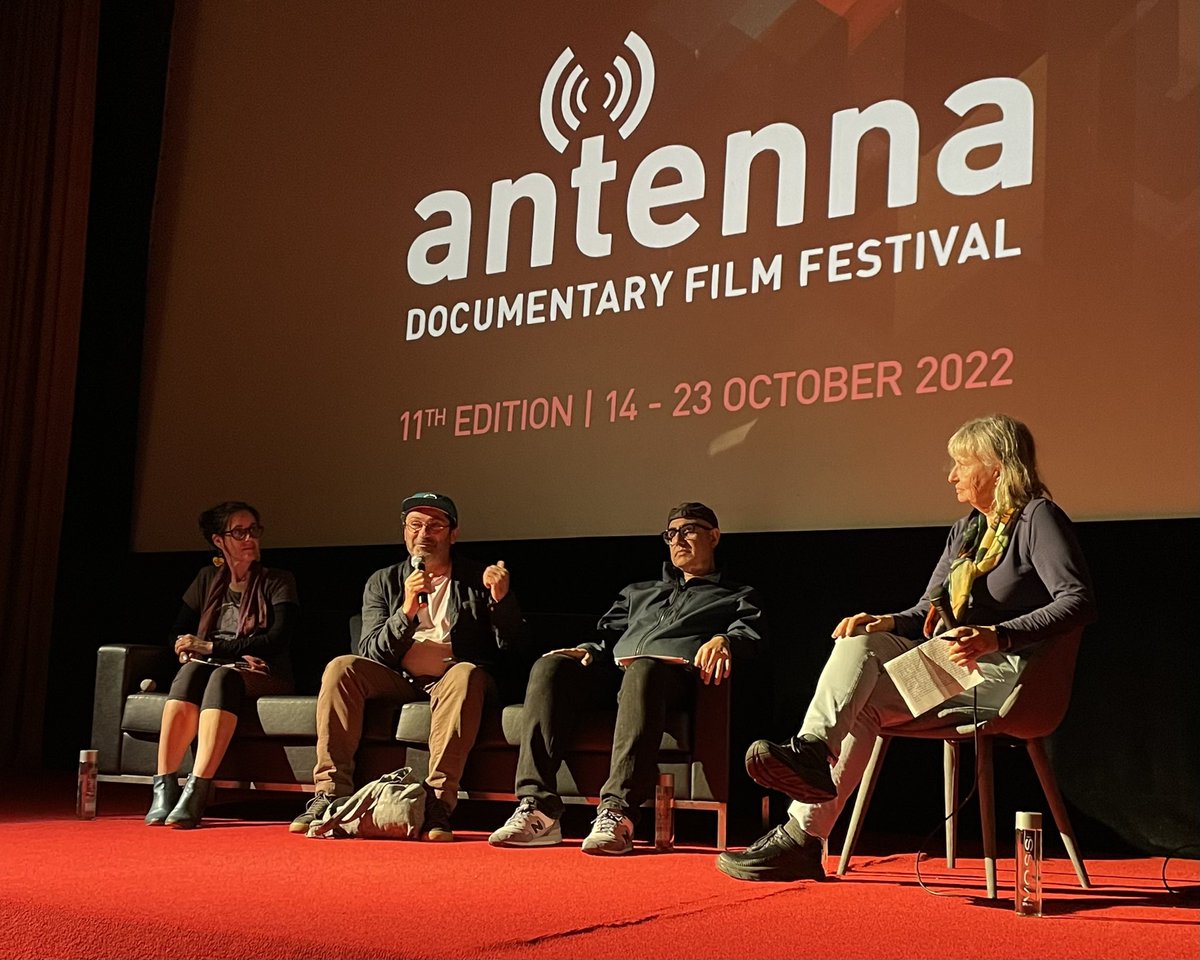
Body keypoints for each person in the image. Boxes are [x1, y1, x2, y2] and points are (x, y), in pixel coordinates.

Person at [716, 413, 1097, 881]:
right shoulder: (966, 531)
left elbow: (1078, 601)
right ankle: (810, 773)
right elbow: (927, 611)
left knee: (864, 694)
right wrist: (888, 621)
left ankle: (804, 814)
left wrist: (998, 635)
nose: (952, 475)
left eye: (961, 463)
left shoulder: (1037, 518)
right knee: (864, 647)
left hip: (1011, 673)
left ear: (997, 467)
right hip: (952, 668)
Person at [488, 501, 766, 854]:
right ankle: (538, 808)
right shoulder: (639, 592)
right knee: (550, 666)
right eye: (671, 534)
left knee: (645, 668)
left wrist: (724, 639)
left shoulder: (736, 596)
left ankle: (618, 812)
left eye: (688, 530)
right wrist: (586, 648)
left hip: (669, 678)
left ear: (713, 536)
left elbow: (751, 636)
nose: (678, 539)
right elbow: (608, 635)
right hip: (615, 673)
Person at [290, 491, 525, 840]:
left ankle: (438, 804)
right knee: (342, 667)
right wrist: (407, 611)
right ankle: (329, 794)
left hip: (457, 679)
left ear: (453, 533)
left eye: (434, 526)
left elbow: (514, 650)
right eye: (415, 525)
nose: (423, 534)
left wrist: (502, 602)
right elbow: (371, 651)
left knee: (465, 673)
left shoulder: (479, 578)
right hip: (400, 679)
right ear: (404, 531)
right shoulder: (384, 582)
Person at [146, 501, 299, 828]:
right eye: (239, 532)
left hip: (264, 672)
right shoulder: (206, 579)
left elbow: (275, 641)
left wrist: (211, 646)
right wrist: (184, 647)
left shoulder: (278, 580)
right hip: (208, 668)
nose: (250, 539)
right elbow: (178, 628)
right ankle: (164, 787)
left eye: (254, 531)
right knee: (192, 671)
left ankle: (197, 789)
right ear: (219, 541)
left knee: (221, 677)